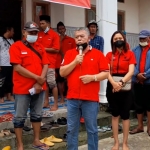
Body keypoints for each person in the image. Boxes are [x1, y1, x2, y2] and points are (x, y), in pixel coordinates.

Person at [60, 27, 109, 150]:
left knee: (92, 130)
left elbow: (106, 73)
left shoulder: (98, 54)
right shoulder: (70, 54)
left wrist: (92, 78)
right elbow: (62, 73)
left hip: (90, 99)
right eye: (77, 37)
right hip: (72, 98)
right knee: (71, 129)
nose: (79, 39)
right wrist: (75, 62)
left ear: (88, 38)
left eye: (82, 36)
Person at [9, 21, 49, 150]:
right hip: (22, 89)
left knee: (37, 115)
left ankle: (36, 140)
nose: (34, 34)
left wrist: (39, 81)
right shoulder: (16, 46)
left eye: (36, 33)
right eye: (31, 32)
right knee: (20, 117)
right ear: (24, 32)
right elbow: (17, 67)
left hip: (39, 88)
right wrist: (36, 78)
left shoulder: (40, 47)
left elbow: (46, 64)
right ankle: (20, 145)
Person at [106, 31, 136, 150]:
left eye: (120, 38)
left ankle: (125, 143)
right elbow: (106, 71)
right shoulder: (109, 55)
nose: (118, 40)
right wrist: (114, 83)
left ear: (124, 40)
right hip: (112, 86)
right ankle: (116, 143)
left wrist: (121, 83)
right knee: (114, 115)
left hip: (126, 85)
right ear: (112, 41)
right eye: (115, 38)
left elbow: (131, 71)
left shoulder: (130, 54)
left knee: (125, 115)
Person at [129, 30, 150, 136]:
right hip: (137, 81)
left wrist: (145, 75)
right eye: (140, 38)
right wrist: (137, 74)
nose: (142, 40)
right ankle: (140, 126)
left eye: (144, 38)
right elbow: (132, 64)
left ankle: (149, 128)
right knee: (138, 105)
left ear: (149, 38)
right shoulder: (134, 50)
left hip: (148, 81)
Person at [37, 15, 60, 110]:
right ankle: (46, 102)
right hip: (41, 63)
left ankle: (55, 104)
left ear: (48, 23)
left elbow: (56, 49)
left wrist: (43, 49)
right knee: (44, 83)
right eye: (40, 23)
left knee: (52, 83)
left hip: (50, 63)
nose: (41, 25)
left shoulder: (54, 35)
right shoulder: (40, 34)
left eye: (43, 23)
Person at [56, 21, 76, 104]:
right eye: (59, 29)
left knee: (69, 80)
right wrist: (59, 40)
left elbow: (75, 51)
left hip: (69, 63)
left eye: (62, 28)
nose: (61, 30)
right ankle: (61, 97)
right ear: (57, 30)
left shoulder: (71, 40)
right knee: (59, 81)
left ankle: (69, 95)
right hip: (58, 63)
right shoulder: (56, 39)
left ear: (65, 29)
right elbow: (55, 50)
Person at [0, 25, 14, 103]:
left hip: (11, 63)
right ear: (8, 31)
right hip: (3, 64)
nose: (13, 33)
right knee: (1, 81)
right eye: (12, 31)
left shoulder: (12, 41)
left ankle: (9, 95)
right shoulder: (0, 39)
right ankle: (1, 96)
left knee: (10, 81)